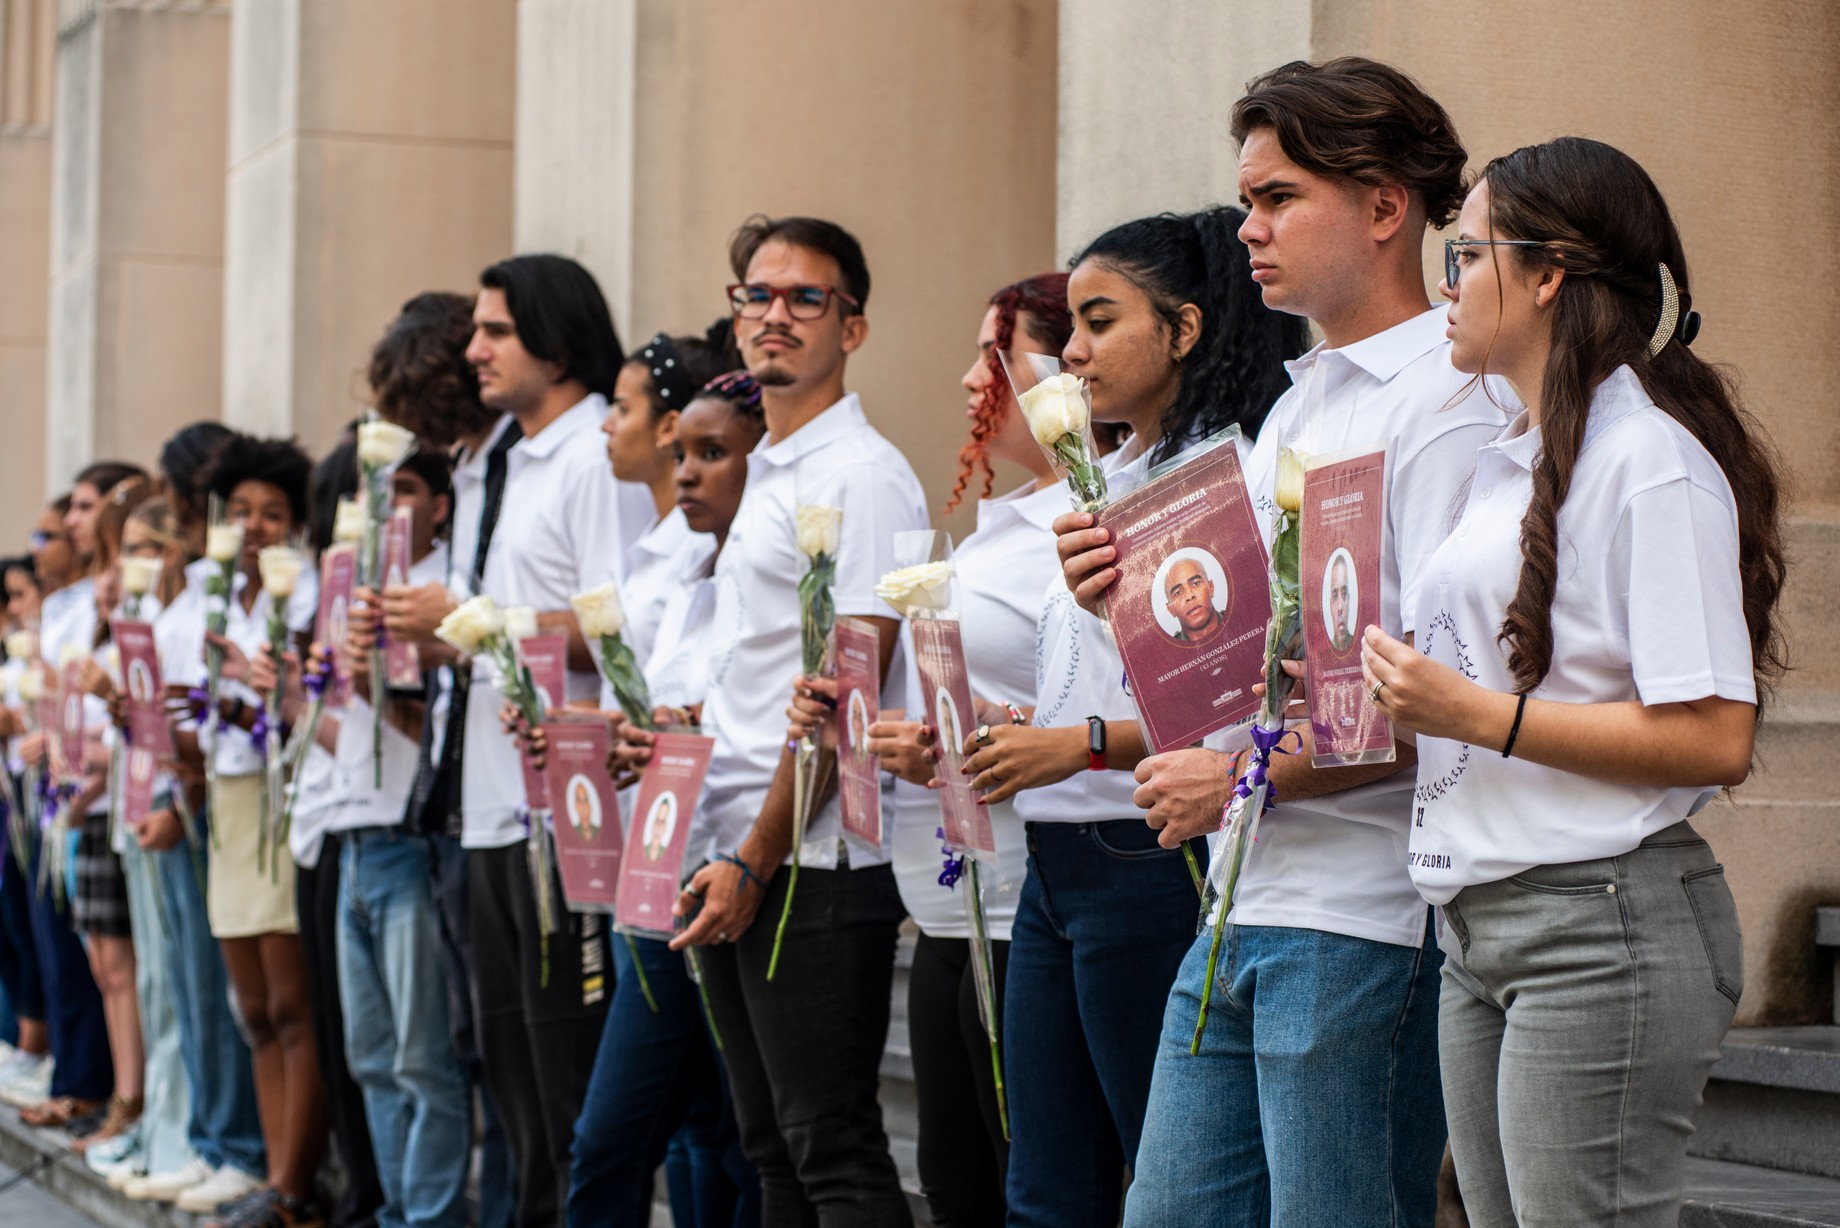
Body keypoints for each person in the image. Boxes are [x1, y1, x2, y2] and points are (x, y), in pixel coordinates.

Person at [1058, 59, 1509, 1228]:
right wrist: (1123, 604)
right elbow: (1241, 665)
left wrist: (1239, 777)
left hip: (1366, 915)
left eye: (1277, 198)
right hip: (1239, 899)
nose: (1248, 229)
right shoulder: (1298, 406)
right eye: (1246, 201)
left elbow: (1448, 704)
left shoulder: (1450, 404)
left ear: (1383, 205)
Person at [1362, 135, 1783, 1228]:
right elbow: (1486, 694)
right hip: (1476, 924)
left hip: (1600, 926)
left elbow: (1714, 738)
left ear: (1548, 274)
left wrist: (1472, 714)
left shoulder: (1650, 462)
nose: (1447, 284)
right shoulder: (1510, 456)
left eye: (1466, 255)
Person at [960, 209, 1300, 1228]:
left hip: (1148, 852)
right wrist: (1034, 722)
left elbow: (1236, 711)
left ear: (1184, 329)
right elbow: (1107, 674)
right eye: (1071, 324)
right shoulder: (1106, 476)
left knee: (1170, 1179)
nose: (1072, 351)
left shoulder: (1222, 477)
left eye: (1099, 322)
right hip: (1056, 860)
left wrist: (1078, 745)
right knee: (1044, 1186)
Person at [786, 272, 1078, 1226]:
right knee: (953, 1187)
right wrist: (882, 720)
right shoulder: (1002, 525)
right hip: (948, 901)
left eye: (994, 356)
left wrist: (973, 735)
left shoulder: (1089, 518)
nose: (967, 379)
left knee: (1019, 1183)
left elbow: (1078, 702)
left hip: (1020, 899)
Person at [670, 215, 927, 1225]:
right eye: (758, 295)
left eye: (805, 297)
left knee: (833, 1151)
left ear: (850, 326)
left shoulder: (859, 474)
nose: (775, 314)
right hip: (739, 841)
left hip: (813, 858)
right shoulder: (772, 468)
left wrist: (756, 858)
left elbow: (846, 692)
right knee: (772, 1148)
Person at [455, 253, 652, 1223]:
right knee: (513, 1076)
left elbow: (621, 625)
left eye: (496, 330)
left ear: (558, 341)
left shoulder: (593, 454)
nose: (474, 349)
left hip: (570, 814)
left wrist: (482, 626)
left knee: (568, 1084)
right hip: (497, 802)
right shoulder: (516, 454)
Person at [569, 371, 767, 1228]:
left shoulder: (763, 577)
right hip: (661, 870)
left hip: (732, 869)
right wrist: (632, 735)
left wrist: (687, 729)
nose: (684, 472)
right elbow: (670, 712)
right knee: (646, 1133)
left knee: (730, 1137)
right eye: (681, 452)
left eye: (710, 453)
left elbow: (770, 718)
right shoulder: (689, 570)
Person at [374, 289, 522, 1228]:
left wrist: (456, 624)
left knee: (505, 1056)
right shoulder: (474, 471)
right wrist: (418, 645)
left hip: (514, 795)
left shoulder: (519, 464)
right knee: (470, 1041)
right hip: (459, 792)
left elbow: (570, 625)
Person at [123, 424, 268, 1211]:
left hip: (211, 801)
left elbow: (214, 713)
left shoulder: (217, 590)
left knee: (218, 987)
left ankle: (233, 1143)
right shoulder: (191, 595)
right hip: (180, 795)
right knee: (184, 977)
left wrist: (184, 795)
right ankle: (210, 1139)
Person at [192, 434, 327, 1228]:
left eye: (272, 513)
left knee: (290, 1003)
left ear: (296, 524)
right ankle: (275, 1185)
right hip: (229, 799)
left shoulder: (303, 596)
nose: (253, 526)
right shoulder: (212, 597)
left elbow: (299, 713)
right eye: (240, 511)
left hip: (284, 800)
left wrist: (247, 698)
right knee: (252, 1007)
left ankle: (293, 1187)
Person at [1162, 554, 1225, 645]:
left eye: (1196, 583)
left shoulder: (1240, 618)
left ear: (1211, 587)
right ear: (1171, 609)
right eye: (1178, 593)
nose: (1189, 596)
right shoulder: (1170, 651)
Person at [1327, 553, 1355, 652]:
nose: (1340, 607)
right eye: (1335, 595)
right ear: (1331, 606)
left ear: (1349, 601)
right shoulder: (1324, 652)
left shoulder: (1360, 647)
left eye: (1344, 594)